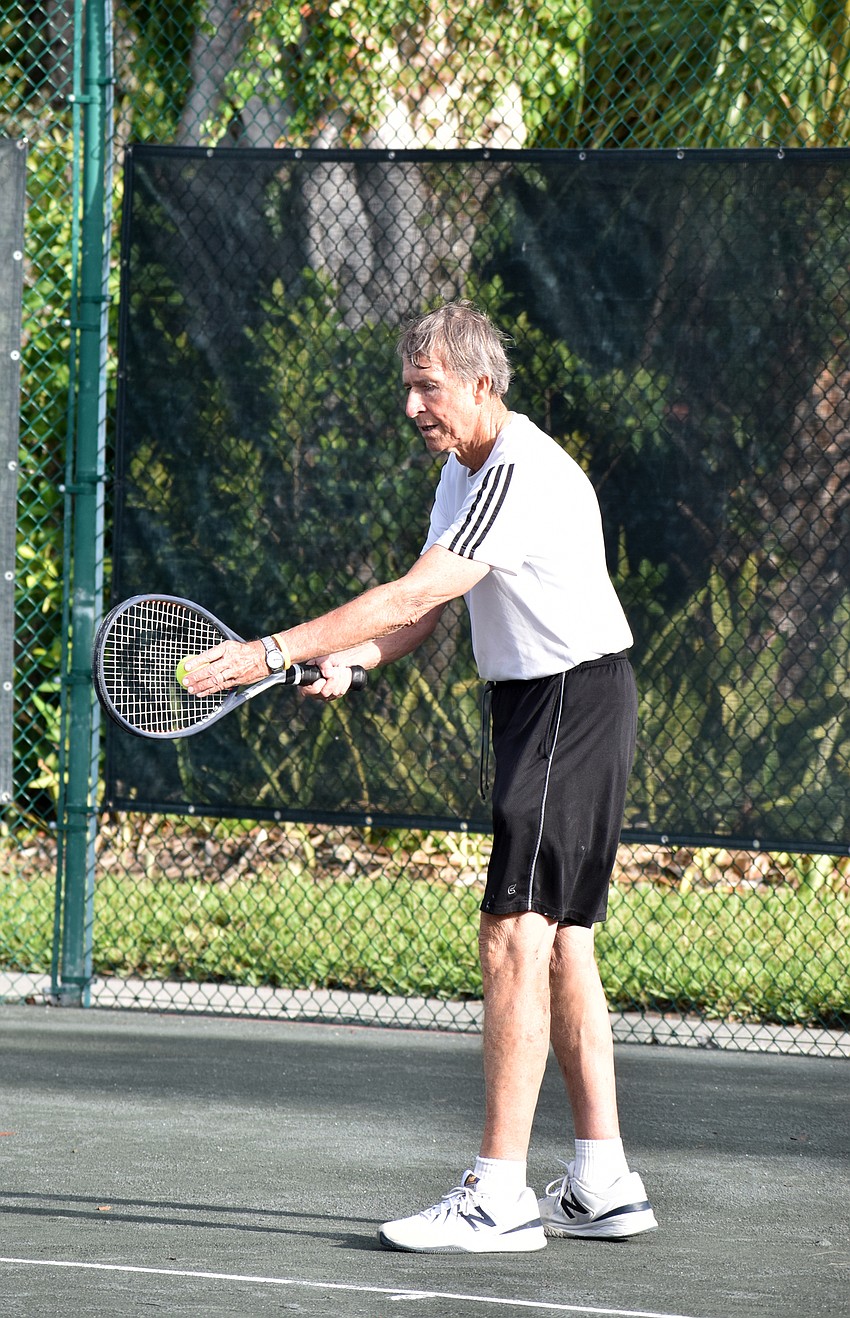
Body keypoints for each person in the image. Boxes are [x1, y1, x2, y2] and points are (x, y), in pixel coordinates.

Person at [181, 300, 658, 1255]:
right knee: (563, 942)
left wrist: (268, 653)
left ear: (482, 384)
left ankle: (498, 1194)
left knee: (513, 932)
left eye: (427, 386)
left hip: (570, 699)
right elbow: (427, 609)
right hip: (554, 705)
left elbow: (413, 593)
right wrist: (355, 661)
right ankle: (603, 1181)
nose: (411, 405)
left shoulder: (518, 470)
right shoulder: (463, 472)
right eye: (408, 386)